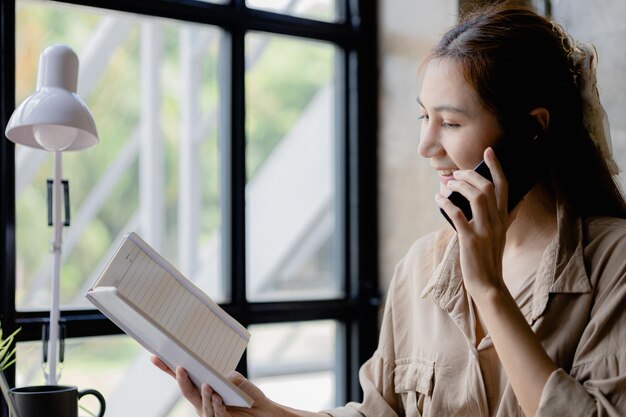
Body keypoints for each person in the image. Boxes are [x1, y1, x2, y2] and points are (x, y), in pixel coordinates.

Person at [153, 2, 626, 416]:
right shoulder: (420, 268)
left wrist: (487, 289)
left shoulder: (614, 262)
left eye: (451, 122)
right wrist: (272, 414)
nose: (426, 146)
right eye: (424, 117)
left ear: (532, 131)